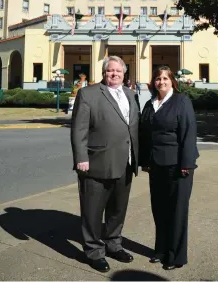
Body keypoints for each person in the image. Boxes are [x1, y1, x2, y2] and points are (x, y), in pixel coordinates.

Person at [71, 56, 139, 273]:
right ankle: (93, 251)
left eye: (118, 71)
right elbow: (79, 129)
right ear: (104, 72)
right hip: (96, 163)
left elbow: (133, 128)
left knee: (117, 210)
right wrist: (81, 157)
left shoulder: (130, 94)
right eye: (110, 71)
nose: (114, 74)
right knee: (92, 211)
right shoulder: (88, 93)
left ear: (124, 73)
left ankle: (113, 244)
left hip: (125, 163)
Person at [139, 65, 199, 270]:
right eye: (157, 78)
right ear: (153, 82)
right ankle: (161, 250)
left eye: (165, 78)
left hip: (177, 166)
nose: (161, 82)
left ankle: (176, 256)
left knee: (177, 211)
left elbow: (188, 133)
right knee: (159, 209)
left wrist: (187, 163)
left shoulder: (182, 101)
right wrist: (144, 160)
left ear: (172, 81)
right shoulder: (150, 104)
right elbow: (144, 134)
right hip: (156, 165)